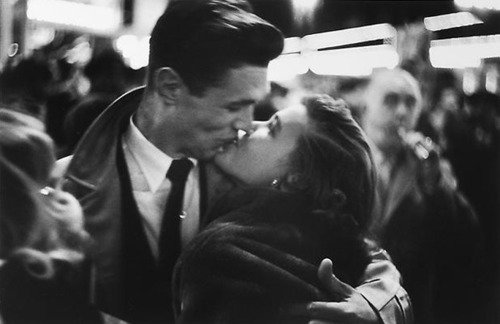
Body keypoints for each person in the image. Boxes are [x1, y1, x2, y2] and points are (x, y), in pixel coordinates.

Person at [56, 0, 411, 323]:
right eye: (233, 106)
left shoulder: (245, 170)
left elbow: (355, 239)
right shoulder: (60, 187)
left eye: (254, 105)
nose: (245, 124)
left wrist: (380, 304)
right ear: (169, 88)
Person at [173, 94, 384, 323]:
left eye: (272, 129)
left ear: (297, 178)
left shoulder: (223, 255)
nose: (251, 125)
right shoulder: (346, 256)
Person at [361, 68, 483, 324]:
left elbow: (464, 233)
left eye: (410, 102)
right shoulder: (346, 159)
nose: (402, 112)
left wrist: (435, 183)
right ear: (366, 108)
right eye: (391, 100)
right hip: (355, 297)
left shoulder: (431, 166)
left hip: (410, 302)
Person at [0, 118, 101, 324]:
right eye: (49, 186)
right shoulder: (33, 274)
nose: (61, 196)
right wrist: (74, 239)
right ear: (20, 198)